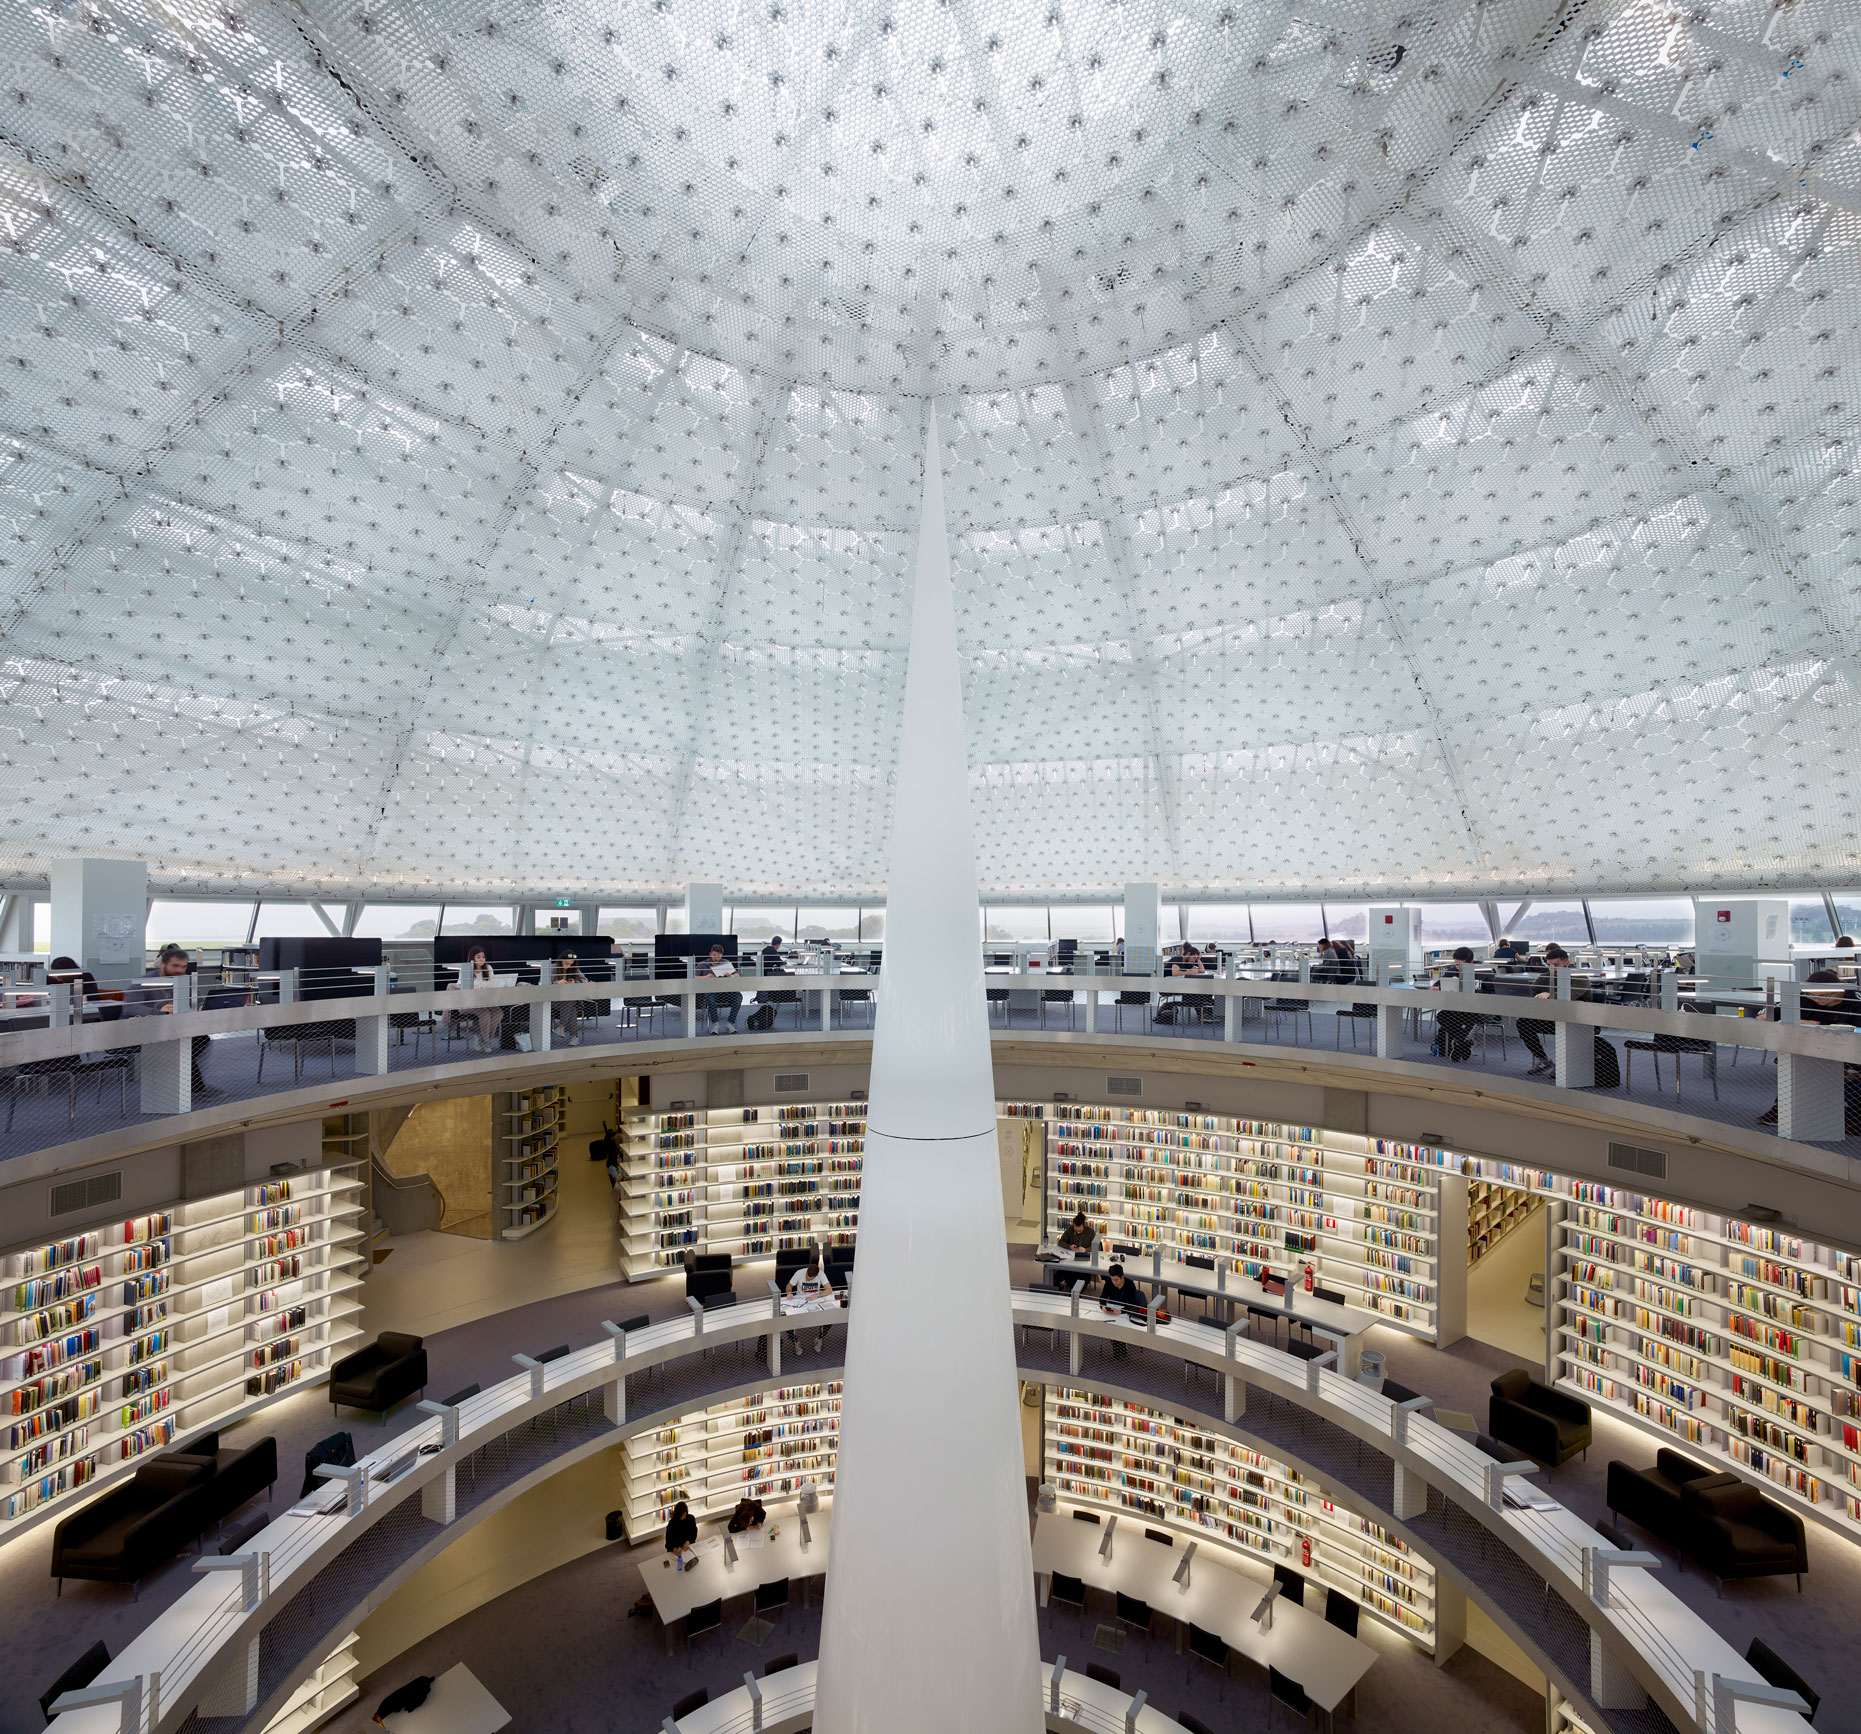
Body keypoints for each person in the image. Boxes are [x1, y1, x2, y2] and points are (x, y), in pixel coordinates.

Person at [1758, 970, 1861, 1127]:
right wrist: (1802, 1022)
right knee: (1794, 1065)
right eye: (1813, 996)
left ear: (1840, 990)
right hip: (1811, 1052)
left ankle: (1854, 1119)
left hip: (1851, 1053)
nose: (1817, 1000)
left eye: (1824, 996)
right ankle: (1784, 1110)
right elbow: (1764, 1016)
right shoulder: (1803, 998)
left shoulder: (1856, 1001)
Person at [121, 944, 214, 1094]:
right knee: (179, 1045)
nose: (179, 970)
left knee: (200, 1039)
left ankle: (187, 1083)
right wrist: (158, 1011)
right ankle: (195, 1087)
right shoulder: (142, 982)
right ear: (163, 964)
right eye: (175, 965)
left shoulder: (186, 981)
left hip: (173, 1028)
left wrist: (201, 1006)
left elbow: (200, 999)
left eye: (183, 967)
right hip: (144, 1029)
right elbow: (130, 1008)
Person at [1435, 946, 1481, 1062]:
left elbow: (1491, 992)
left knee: (1472, 1019)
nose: (1457, 967)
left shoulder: (1482, 971)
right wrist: (1436, 987)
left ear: (1471, 962)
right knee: (1441, 1016)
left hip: (1477, 1008)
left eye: (1460, 964)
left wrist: (1478, 990)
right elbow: (1438, 984)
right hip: (1458, 1008)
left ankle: (1460, 1044)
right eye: (1456, 964)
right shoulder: (1452, 971)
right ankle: (1465, 1043)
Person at [453, 945, 502, 1051]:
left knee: (498, 1013)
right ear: (472, 958)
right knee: (485, 1014)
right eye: (478, 957)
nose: (481, 959)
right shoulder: (466, 969)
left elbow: (493, 983)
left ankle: (480, 1037)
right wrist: (478, 987)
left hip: (485, 1002)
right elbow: (460, 986)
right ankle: (487, 1043)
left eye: (483, 957)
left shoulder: (488, 968)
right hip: (468, 1003)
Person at [1099, 1262, 1147, 1359]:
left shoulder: (1129, 1284)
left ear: (1122, 1277)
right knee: (1113, 1325)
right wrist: (1103, 1306)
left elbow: (1132, 1304)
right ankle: (1119, 1351)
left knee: (1119, 1326)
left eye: (1116, 1280)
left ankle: (1121, 1351)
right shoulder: (1109, 1281)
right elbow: (1103, 1297)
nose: (1114, 1282)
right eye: (1112, 1279)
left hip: (1126, 1311)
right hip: (1114, 1310)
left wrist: (1121, 1311)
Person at [786, 1254, 833, 1351]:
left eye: (810, 1278)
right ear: (806, 1271)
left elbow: (829, 1290)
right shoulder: (799, 1273)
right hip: (800, 1300)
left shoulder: (821, 1274)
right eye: (807, 1276)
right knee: (787, 1321)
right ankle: (796, 1342)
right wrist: (789, 1293)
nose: (807, 1278)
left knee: (830, 1318)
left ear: (816, 1275)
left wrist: (817, 1295)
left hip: (815, 1300)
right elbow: (789, 1286)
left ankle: (819, 1339)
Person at [697, 943, 741, 1035]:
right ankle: (716, 1024)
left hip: (725, 991)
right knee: (710, 997)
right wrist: (707, 977)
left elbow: (737, 976)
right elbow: (693, 978)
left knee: (738, 996)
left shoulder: (725, 963)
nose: (716, 958)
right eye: (714, 955)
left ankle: (729, 1023)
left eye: (718, 956)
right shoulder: (703, 964)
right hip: (711, 992)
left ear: (722, 955)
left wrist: (731, 976)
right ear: (710, 954)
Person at [552, 951, 586, 1045]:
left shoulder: (574, 969)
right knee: (571, 1004)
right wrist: (556, 983)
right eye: (566, 963)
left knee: (571, 1004)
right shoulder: (553, 968)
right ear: (561, 961)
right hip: (554, 1000)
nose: (568, 966)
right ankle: (573, 1036)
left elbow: (585, 980)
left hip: (568, 1001)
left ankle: (562, 1028)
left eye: (571, 964)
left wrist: (575, 982)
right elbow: (543, 984)